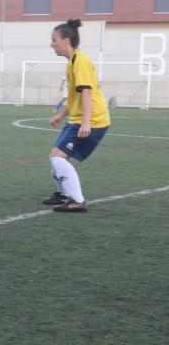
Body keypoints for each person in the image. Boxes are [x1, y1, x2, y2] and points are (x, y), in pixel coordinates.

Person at [43, 18, 111, 212]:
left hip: (93, 120)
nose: (52, 44)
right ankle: (64, 194)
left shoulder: (80, 61)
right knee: (55, 156)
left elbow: (87, 93)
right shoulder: (72, 61)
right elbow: (75, 96)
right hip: (78, 119)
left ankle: (77, 201)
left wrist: (86, 123)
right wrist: (61, 115)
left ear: (65, 40)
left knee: (57, 157)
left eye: (54, 40)